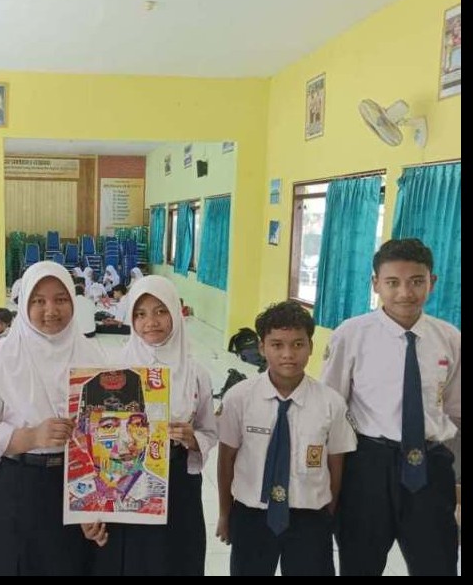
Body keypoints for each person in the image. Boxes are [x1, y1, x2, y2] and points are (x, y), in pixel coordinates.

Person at [0, 261, 107, 575]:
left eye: (60, 299)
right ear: (24, 305)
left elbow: (106, 440)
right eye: (39, 301)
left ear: (73, 301)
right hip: (14, 484)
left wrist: (96, 504)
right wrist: (30, 437)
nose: (51, 310)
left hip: (75, 484)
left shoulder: (93, 356)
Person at [321, 238, 460, 576]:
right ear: (376, 284)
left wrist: (458, 477)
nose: (405, 293)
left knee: (437, 563)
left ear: (432, 282)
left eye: (416, 281)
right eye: (393, 282)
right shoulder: (351, 335)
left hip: (431, 465)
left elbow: (455, 411)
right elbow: (330, 410)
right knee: (360, 563)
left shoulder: (449, 338)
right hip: (368, 465)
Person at [85, 275, 218, 575]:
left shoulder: (195, 373)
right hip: (126, 480)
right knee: (130, 560)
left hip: (177, 484)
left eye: (160, 311)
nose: (151, 322)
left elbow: (209, 431)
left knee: (174, 560)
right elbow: (95, 440)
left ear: (175, 313)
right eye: (141, 314)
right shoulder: (114, 370)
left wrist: (192, 438)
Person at [215, 300, 356, 576]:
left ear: (311, 347)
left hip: (310, 517)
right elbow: (226, 460)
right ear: (261, 347)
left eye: (298, 344)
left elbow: (336, 465)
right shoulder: (239, 398)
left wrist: (327, 513)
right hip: (252, 515)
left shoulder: (331, 403)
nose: (288, 354)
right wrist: (224, 513)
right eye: (277, 345)